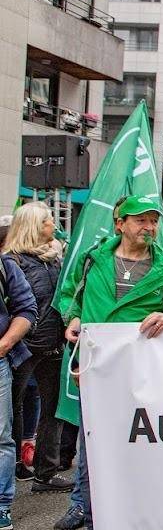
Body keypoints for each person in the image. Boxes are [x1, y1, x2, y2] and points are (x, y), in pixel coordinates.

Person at [57, 195, 163, 530]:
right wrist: (72, 317)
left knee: (139, 449)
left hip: (143, 371)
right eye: (140, 220)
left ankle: (135, 527)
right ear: (120, 224)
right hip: (98, 368)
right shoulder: (94, 258)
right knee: (94, 451)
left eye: (153, 221)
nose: (148, 228)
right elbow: (71, 295)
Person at [4, 203, 69, 496]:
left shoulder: (53, 260)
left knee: (53, 408)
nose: (53, 226)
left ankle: (45, 472)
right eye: (47, 221)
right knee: (12, 410)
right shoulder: (12, 261)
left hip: (53, 343)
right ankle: (16, 465)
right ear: (33, 226)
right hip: (23, 346)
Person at [0, 217, 39, 530]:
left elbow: (27, 309)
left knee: (1, 437)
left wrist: (5, 343)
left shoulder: (5, 266)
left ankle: (1, 506)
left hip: (1, 360)